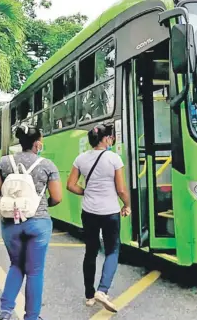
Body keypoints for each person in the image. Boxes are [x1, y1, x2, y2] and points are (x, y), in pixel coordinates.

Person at [0, 124, 62, 320]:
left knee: (16, 265)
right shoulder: (47, 164)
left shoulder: (3, 163)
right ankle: (32, 317)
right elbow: (57, 197)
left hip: (10, 222)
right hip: (38, 222)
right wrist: (40, 205)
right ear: (37, 143)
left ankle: (5, 311)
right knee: (34, 271)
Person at [66, 123, 130, 313]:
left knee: (91, 251)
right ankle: (102, 290)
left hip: (89, 212)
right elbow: (121, 189)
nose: (111, 140)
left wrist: (86, 192)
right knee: (112, 250)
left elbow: (70, 185)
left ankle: (89, 295)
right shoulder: (114, 159)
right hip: (110, 212)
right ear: (105, 139)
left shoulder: (81, 159)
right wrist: (127, 205)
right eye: (110, 137)